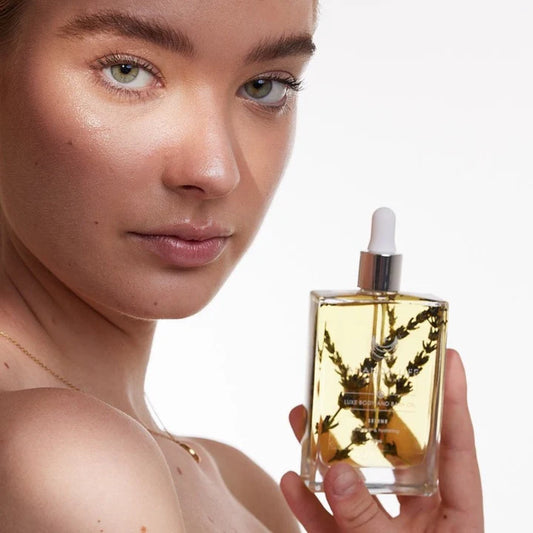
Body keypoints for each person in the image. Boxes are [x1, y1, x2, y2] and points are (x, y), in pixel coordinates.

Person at [0, 0, 483, 531]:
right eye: (127, 71)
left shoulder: (243, 488)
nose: (215, 170)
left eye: (264, 86)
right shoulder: (65, 459)